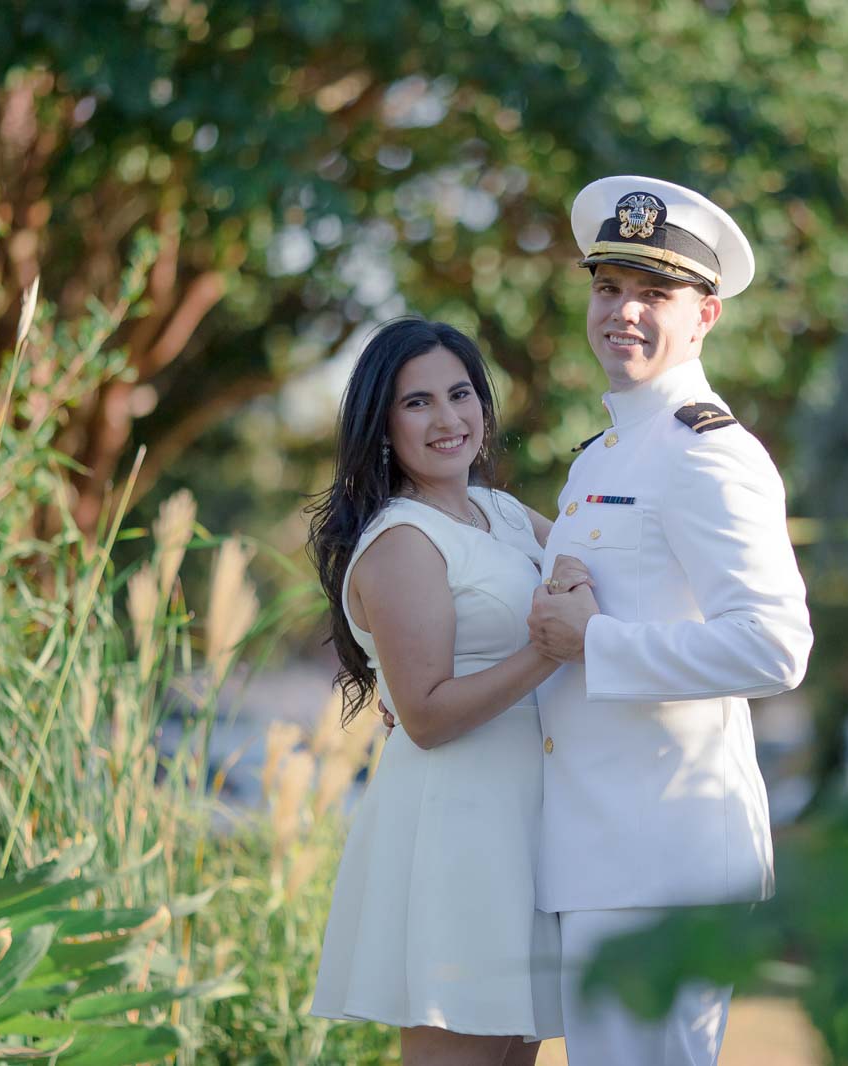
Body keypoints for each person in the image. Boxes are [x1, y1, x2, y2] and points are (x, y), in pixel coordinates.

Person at [524, 176, 814, 1065]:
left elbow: (776, 644)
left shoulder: (709, 453)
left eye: (655, 294)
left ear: (705, 317)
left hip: (662, 853)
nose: (625, 313)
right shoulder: (603, 456)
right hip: (603, 849)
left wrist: (595, 643)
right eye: (609, 288)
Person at [306, 317, 582, 1065]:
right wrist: (548, 649)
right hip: (455, 830)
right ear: (381, 424)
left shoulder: (497, 511)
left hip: (522, 824)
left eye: (460, 394)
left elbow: (589, 566)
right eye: (418, 403)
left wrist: (578, 584)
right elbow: (424, 714)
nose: (448, 418)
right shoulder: (403, 541)